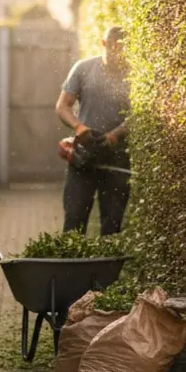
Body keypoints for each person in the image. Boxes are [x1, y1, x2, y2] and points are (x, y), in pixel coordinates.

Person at [54, 26, 131, 235]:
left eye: (122, 48)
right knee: (74, 222)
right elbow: (62, 106)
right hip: (84, 155)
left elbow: (138, 115)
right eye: (113, 47)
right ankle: (71, 267)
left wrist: (116, 134)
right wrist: (79, 127)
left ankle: (105, 267)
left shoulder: (133, 75)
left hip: (116, 157)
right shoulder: (83, 69)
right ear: (104, 43)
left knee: (112, 226)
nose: (117, 53)